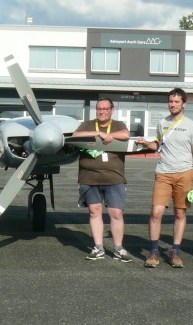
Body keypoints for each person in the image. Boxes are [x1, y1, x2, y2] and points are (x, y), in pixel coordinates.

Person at [135, 88, 193, 268]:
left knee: (180, 212)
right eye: (171, 101)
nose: (172, 104)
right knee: (156, 212)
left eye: (176, 101)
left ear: (184, 104)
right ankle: (154, 251)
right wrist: (146, 143)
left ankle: (175, 251)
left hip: (185, 173)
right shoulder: (162, 123)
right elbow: (157, 144)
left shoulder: (192, 126)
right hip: (163, 173)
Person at [73, 98, 132, 262]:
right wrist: (98, 133)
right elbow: (76, 135)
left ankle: (118, 248)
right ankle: (98, 247)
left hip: (114, 176)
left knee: (116, 213)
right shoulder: (87, 124)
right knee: (94, 211)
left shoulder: (119, 124)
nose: (101, 111)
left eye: (105, 109)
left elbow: (126, 135)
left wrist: (109, 135)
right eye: (99, 109)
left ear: (112, 110)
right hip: (89, 176)